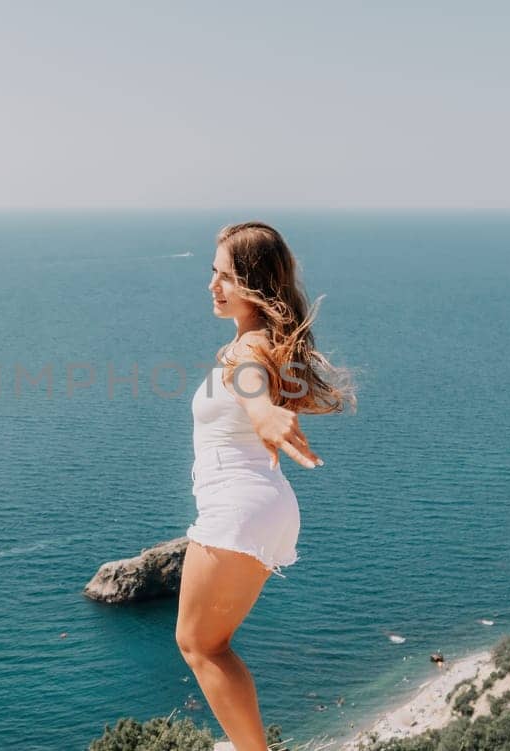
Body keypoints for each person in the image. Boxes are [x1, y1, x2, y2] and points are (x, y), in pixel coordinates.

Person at [177, 221, 355, 750]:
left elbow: (249, 382)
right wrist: (262, 414)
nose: (213, 287)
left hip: (239, 505)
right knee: (213, 644)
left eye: (227, 277)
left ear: (255, 285)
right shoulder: (264, 341)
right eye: (212, 274)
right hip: (265, 505)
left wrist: (262, 414)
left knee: (199, 645)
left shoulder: (248, 349)